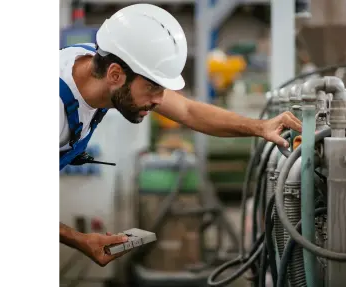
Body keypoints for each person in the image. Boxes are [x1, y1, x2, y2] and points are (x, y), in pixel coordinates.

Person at [59, 3, 302, 267]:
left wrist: (261, 127)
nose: (160, 101)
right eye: (153, 87)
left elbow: (187, 110)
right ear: (115, 74)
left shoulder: (98, 62)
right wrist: (80, 240)